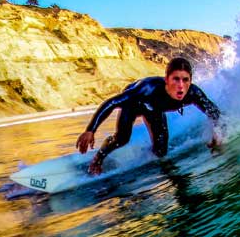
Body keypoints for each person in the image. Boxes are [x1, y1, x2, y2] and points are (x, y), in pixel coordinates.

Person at [76, 57, 223, 175]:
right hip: (135, 103)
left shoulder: (193, 93)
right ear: (166, 79)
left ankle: (151, 162)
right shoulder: (147, 89)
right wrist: (91, 130)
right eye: (175, 79)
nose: (181, 85)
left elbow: (214, 112)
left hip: (154, 109)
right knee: (122, 139)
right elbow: (113, 102)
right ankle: (98, 158)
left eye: (185, 80)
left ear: (190, 81)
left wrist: (217, 133)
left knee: (162, 151)